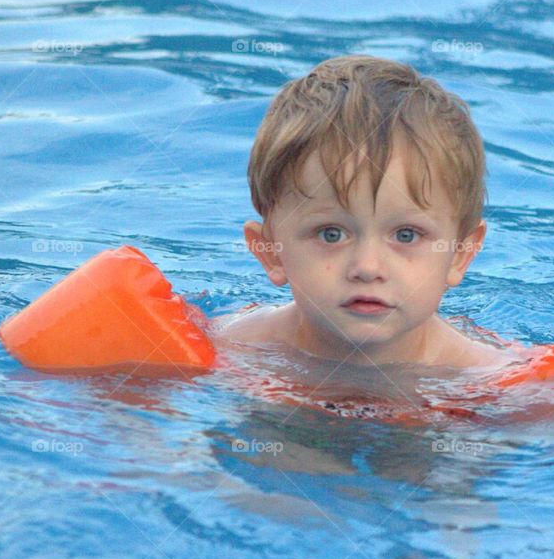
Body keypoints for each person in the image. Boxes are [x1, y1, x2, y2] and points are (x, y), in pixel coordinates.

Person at [217, 54, 524, 370]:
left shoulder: (486, 376)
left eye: (406, 235)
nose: (367, 267)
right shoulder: (232, 349)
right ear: (270, 253)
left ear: (460, 254)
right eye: (331, 234)